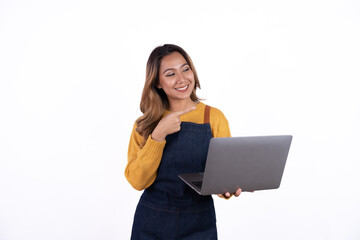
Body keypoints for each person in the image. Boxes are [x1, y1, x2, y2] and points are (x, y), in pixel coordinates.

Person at [125, 44, 242, 240]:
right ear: (157, 83)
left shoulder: (213, 117)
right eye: (170, 74)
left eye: (185, 69)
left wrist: (227, 188)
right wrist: (158, 135)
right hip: (152, 221)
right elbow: (138, 182)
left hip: (199, 223)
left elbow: (222, 174)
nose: (182, 79)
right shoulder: (144, 124)